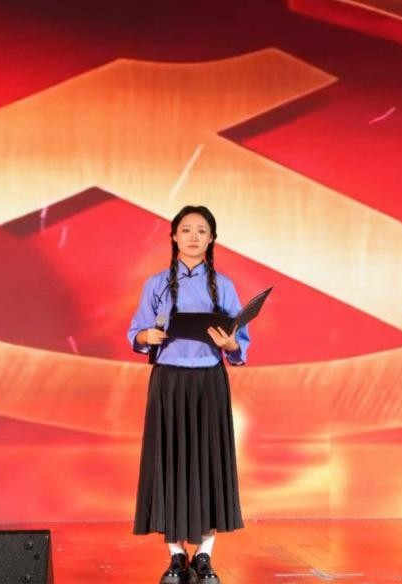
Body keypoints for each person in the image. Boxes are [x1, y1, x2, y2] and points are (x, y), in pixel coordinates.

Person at [128, 205, 250, 584]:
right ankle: (176, 556)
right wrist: (146, 336)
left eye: (201, 230)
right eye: (186, 230)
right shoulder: (156, 284)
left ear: (211, 239)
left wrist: (230, 344)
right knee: (169, 462)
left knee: (209, 464)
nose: (193, 237)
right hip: (168, 383)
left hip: (208, 382)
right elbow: (136, 332)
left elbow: (239, 343)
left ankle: (205, 556)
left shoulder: (224, 286)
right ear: (174, 237)